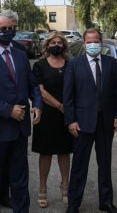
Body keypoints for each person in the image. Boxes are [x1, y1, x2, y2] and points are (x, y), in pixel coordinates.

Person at [0, 11, 42, 213]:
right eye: (4, 29)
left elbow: (33, 85)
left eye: (12, 28)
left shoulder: (21, 55)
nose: (9, 32)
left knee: (20, 180)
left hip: (19, 130)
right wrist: (8, 110)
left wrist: (37, 104)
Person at [64, 28, 117, 213]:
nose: (93, 45)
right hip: (82, 123)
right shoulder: (74, 64)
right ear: (84, 44)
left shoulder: (112, 63)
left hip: (106, 123)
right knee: (79, 166)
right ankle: (73, 204)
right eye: (89, 42)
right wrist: (71, 121)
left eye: (96, 41)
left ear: (101, 43)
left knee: (105, 164)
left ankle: (106, 202)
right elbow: (68, 96)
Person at [32, 31, 73, 208]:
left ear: (64, 45)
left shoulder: (70, 64)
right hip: (47, 114)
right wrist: (59, 105)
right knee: (46, 153)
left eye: (59, 42)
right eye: (53, 42)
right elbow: (40, 91)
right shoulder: (39, 65)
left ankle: (66, 187)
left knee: (64, 152)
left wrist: (67, 108)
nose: (56, 45)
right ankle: (43, 188)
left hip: (67, 114)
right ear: (47, 45)